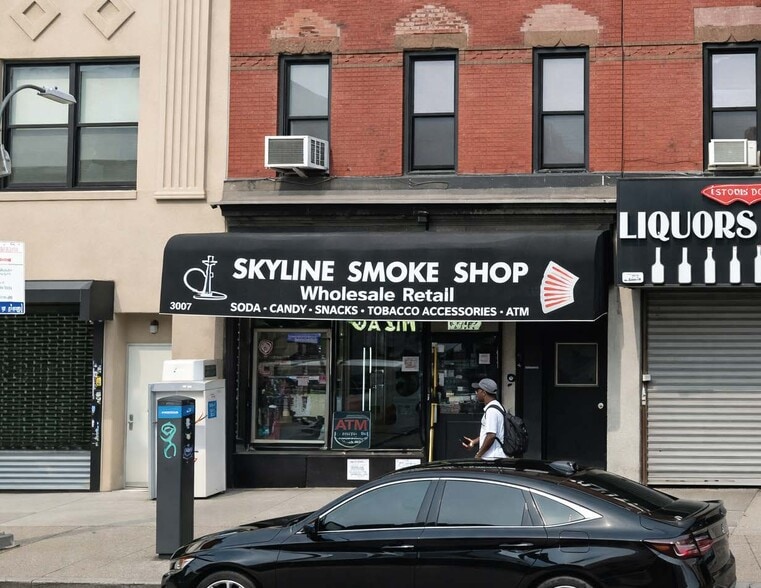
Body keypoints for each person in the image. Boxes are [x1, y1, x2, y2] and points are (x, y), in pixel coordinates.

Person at [462, 377, 507, 460]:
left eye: (477, 390)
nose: (476, 393)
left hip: (492, 457)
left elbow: (491, 436)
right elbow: (490, 433)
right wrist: (474, 442)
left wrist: (478, 455)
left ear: (483, 392)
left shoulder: (491, 411)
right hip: (494, 456)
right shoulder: (497, 406)